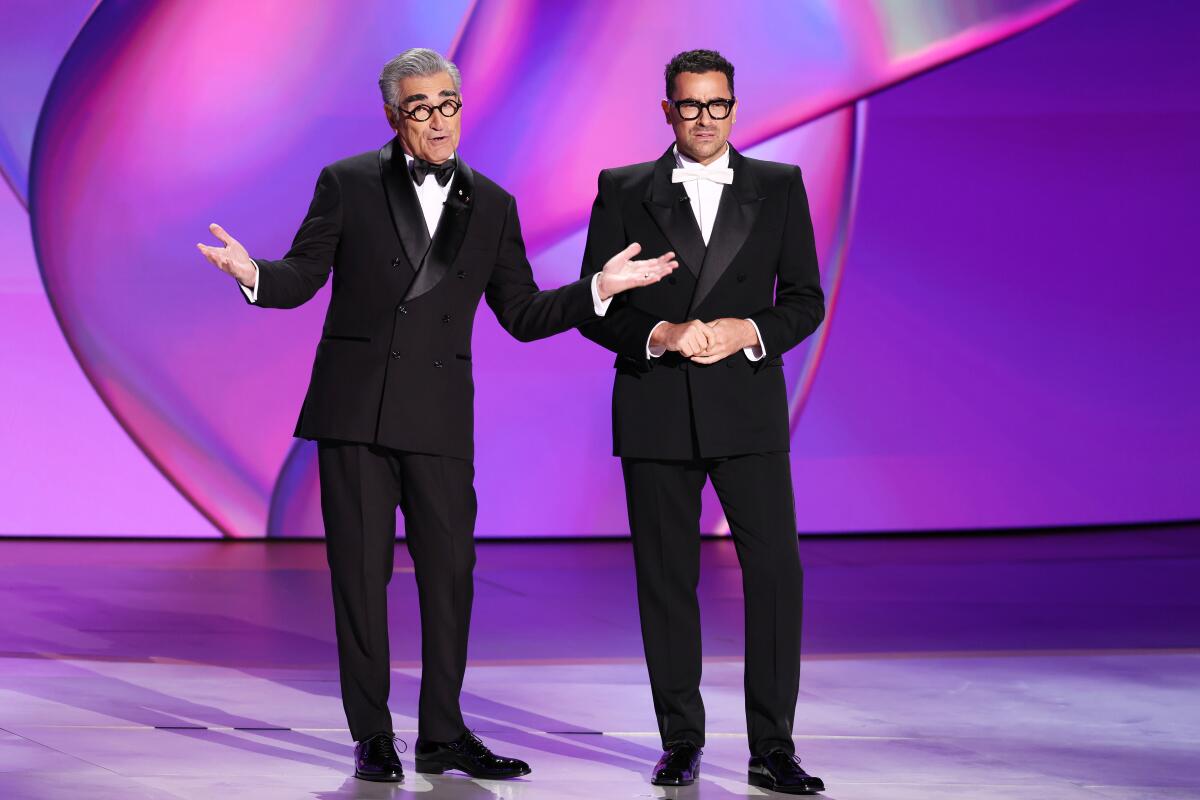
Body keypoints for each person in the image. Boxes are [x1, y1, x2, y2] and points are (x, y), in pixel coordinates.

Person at [196, 47, 676, 784]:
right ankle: (373, 736)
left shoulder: (492, 203)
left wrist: (596, 289)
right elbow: (302, 275)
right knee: (360, 577)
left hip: (440, 417)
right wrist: (253, 274)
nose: (439, 120)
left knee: (450, 575)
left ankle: (444, 734)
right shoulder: (350, 182)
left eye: (448, 104)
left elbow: (521, 312)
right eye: (421, 108)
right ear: (395, 116)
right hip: (354, 412)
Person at [577, 49, 826, 795]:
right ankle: (680, 741)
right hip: (657, 406)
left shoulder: (779, 186)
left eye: (718, 105)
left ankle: (772, 749)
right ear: (667, 111)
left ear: (735, 107)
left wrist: (746, 329)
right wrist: (662, 335)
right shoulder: (623, 190)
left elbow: (805, 298)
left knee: (777, 575)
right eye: (690, 106)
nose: (706, 119)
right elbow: (597, 304)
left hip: (746, 409)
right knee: (666, 581)